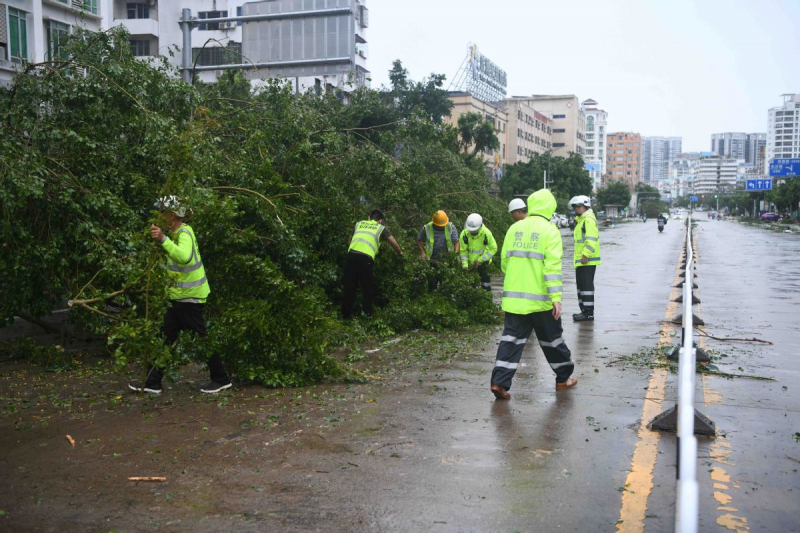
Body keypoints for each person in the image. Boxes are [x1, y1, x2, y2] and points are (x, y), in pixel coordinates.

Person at [129, 196, 231, 394]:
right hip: (178, 298)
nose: (159, 217)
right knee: (166, 338)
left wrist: (163, 240)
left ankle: (221, 378)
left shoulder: (184, 233)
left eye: (162, 213)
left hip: (189, 298)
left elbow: (183, 257)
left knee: (201, 339)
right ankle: (152, 382)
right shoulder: (176, 234)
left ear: (172, 214)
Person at [490, 189, 577, 400]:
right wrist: (556, 298)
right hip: (541, 301)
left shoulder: (514, 228)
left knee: (511, 340)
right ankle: (563, 379)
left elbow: (504, 262)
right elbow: (552, 268)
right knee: (552, 340)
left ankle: (499, 382)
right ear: (550, 207)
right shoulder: (550, 231)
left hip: (514, 300)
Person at [342, 209, 403, 319]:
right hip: (366, 259)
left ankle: (346, 317)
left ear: (368, 217)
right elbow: (395, 244)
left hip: (351, 255)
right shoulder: (380, 228)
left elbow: (349, 242)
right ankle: (367, 315)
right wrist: (399, 253)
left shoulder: (359, 224)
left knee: (349, 287)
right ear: (380, 221)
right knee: (367, 288)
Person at [569, 195, 602, 322]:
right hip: (581, 261)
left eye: (579, 206)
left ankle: (588, 313)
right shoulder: (581, 220)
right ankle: (584, 311)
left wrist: (585, 254)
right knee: (581, 286)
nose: (577, 209)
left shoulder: (588, 220)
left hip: (587, 260)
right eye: (575, 207)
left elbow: (591, 239)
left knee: (587, 287)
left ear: (586, 206)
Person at [417, 210, 460, 292]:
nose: (441, 226)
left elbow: (456, 242)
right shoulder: (427, 227)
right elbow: (419, 240)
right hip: (432, 260)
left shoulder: (450, 226)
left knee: (447, 285)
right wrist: (423, 253)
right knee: (432, 284)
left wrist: (455, 254)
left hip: (447, 261)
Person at [459, 213, 498, 291]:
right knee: (470, 286)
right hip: (470, 264)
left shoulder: (486, 233)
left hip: (484, 263)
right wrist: (465, 264)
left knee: (485, 284)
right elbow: (463, 251)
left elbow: (493, 248)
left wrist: (481, 259)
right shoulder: (464, 234)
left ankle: (486, 298)